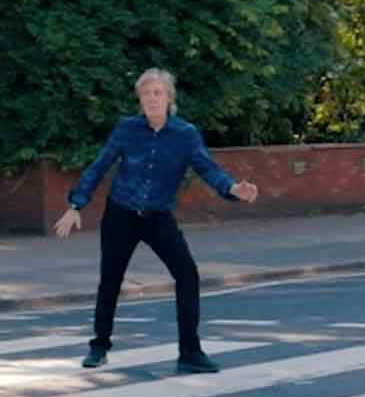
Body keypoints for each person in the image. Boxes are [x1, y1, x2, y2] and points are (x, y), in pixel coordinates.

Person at [54, 68, 259, 373]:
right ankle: (99, 346)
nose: (152, 98)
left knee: (187, 274)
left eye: (158, 92)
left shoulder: (185, 134)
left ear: (169, 99)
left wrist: (232, 188)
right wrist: (76, 205)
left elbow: (208, 169)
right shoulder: (126, 129)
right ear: (140, 99)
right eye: (146, 93)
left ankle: (190, 352)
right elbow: (100, 166)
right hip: (121, 214)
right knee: (110, 279)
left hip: (158, 216)